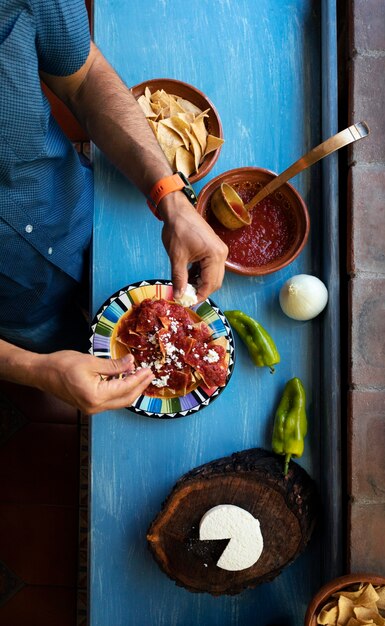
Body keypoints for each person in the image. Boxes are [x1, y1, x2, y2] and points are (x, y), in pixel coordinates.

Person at [0, 0, 228, 414]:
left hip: (88, 212)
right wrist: (36, 369)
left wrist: (171, 197)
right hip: (13, 309)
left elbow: (83, 78)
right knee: (57, 355)